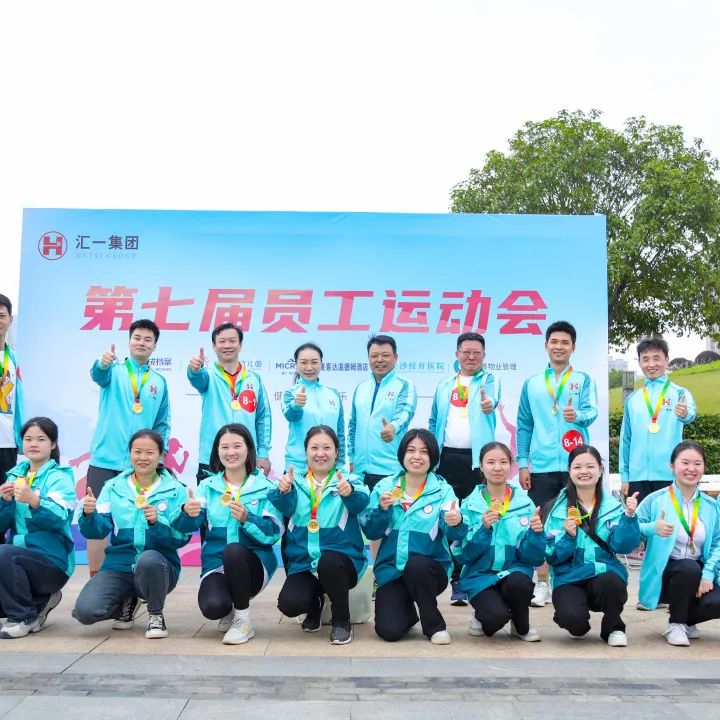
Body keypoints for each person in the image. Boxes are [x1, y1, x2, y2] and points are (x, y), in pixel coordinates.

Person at [73, 429, 190, 639]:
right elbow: (98, 531)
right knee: (85, 611)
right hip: (119, 565)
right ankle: (127, 600)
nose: (143, 457)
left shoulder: (176, 489)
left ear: (161, 456)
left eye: (150, 452)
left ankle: (155, 614)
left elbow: (181, 538)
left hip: (159, 566)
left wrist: (157, 523)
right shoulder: (113, 487)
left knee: (148, 559)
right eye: (137, 452)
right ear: (129, 454)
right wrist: (89, 515)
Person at [173, 424, 282, 644]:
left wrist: (247, 519)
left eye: (237, 446)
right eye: (224, 447)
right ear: (217, 451)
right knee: (213, 607)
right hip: (216, 564)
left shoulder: (267, 487)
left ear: (248, 450)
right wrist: (186, 513)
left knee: (233, 551)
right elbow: (185, 527)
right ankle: (229, 607)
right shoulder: (207, 487)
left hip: (254, 565)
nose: (231, 452)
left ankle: (243, 620)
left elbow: (273, 533)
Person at [516, 320, 598, 608]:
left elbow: (592, 411)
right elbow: (524, 425)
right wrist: (523, 463)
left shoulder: (584, 380)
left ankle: (572, 579)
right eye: (554, 342)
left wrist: (579, 416)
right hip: (541, 466)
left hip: (578, 467)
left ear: (573, 347)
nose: (559, 347)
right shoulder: (532, 383)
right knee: (540, 523)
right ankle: (542, 582)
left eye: (565, 342)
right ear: (546, 345)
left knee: (578, 522)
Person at [269, 425, 369, 645]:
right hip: (304, 563)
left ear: (336, 452)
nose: (320, 453)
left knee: (329, 562)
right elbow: (285, 508)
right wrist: (283, 492)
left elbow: (362, 502)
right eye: (314, 448)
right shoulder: (293, 481)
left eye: (327, 447)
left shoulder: (349, 480)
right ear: (306, 452)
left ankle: (341, 621)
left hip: (342, 563)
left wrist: (350, 493)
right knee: (289, 604)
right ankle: (315, 603)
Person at [361, 429, 462, 644]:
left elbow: (454, 533)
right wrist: (382, 510)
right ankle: (407, 611)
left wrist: (456, 522)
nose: (417, 456)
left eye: (424, 451)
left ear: (432, 457)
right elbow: (370, 531)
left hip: (429, 571)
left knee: (416, 566)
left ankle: (434, 626)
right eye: (411, 450)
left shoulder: (443, 491)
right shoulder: (385, 487)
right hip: (392, 572)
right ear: (402, 455)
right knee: (388, 631)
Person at [86, 319, 170, 576]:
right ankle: (97, 581)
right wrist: (102, 364)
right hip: (105, 460)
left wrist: (160, 456)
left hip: (141, 464)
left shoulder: (159, 382)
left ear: (155, 346)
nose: (141, 343)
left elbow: (162, 423)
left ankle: (132, 582)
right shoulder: (113, 370)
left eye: (147, 339)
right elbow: (98, 374)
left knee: (136, 521)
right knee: (97, 520)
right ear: (129, 341)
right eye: (137, 338)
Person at [543, 445, 640, 647]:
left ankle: (614, 627)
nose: (584, 471)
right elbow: (551, 555)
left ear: (601, 469)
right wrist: (568, 538)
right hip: (569, 576)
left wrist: (629, 517)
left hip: (604, 571)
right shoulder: (556, 509)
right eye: (577, 467)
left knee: (612, 584)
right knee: (574, 623)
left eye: (590, 466)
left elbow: (622, 546)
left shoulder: (613, 507)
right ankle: (575, 616)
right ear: (569, 470)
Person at [429, 332, 499, 605]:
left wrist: (488, 404)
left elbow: (491, 400)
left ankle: (474, 578)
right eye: (466, 352)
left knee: (475, 518)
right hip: (446, 459)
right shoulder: (444, 385)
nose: (471, 357)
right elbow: (434, 419)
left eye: (476, 353)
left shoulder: (489, 381)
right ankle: (456, 580)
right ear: (457, 354)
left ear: (484, 356)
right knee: (451, 517)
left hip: (476, 462)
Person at [453, 442, 545, 641]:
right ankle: (482, 613)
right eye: (491, 462)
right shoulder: (469, 505)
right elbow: (464, 555)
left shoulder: (525, 504)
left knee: (519, 583)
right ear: (481, 465)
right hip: (480, 576)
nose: (497, 468)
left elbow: (534, 558)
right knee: (494, 620)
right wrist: (483, 529)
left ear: (511, 466)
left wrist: (536, 534)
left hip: (514, 572)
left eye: (503, 462)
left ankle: (520, 625)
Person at [636, 442, 720, 646]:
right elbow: (631, 532)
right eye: (685, 463)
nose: (691, 469)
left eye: (697, 463)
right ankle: (676, 624)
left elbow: (718, 542)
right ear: (672, 466)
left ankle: (687, 617)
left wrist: (708, 574)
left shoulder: (711, 505)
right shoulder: (655, 500)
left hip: (699, 570)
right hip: (666, 573)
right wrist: (652, 528)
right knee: (688, 568)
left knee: (712, 596)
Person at [0, 418, 75, 638]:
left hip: (52, 563)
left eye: (41, 439)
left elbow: (60, 518)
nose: (33, 443)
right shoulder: (13, 475)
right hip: (17, 561)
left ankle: (24, 617)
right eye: (28, 439)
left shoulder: (60, 477)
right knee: (6, 554)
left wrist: (35, 500)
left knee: (4, 553)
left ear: (53, 444)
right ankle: (39, 601)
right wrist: (4, 502)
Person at [348, 335, 416, 566]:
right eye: (374, 355)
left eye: (385, 355)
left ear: (395, 357)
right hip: (360, 470)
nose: (380, 360)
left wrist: (393, 427)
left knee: (390, 524)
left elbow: (405, 413)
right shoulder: (361, 388)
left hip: (389, 470)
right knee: (364, 524)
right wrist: (352, 458)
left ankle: (391, 572)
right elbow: (353, 425)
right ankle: (372, 572)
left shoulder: (404, 386)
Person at [188, 323, 271, 481]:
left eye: (232, 341)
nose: (227, 345)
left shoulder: (254, 379)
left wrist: (263, 453)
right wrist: (195, 370)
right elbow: (197, 379)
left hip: (246, 456)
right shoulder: (208, 376)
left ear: (240, 345)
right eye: (222, 341)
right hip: (212, 458)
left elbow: (263, 418)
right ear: (214, 346)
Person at [620, 337, 696, 504]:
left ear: (666, 360)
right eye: (645, 359)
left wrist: (685, 414)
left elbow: (691, 414)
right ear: (639, 362)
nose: (651, 364)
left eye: (657, 358)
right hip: (637, 477)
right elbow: (626, 439)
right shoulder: (632, 399)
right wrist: (625, 476)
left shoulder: (679, 393)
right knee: (639, 520)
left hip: (670, 474)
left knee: (669, 519)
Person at [282, 343, 345, 475]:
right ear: (296, 364)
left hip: (328, 466)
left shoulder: (333, 393)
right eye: (304, 362)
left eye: (314, 362)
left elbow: (340, 432)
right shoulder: (290, 393)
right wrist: (296, 406)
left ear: (321, 363)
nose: (309, 367)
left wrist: (340, 462)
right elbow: (290, 416)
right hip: (298, 467)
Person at [0, 295, 24, 545]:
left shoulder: (12, 357)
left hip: (6, 443)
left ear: (9, 320)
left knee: (4, 501)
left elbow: (19, 400)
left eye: (1, 315)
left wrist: (20, 435)